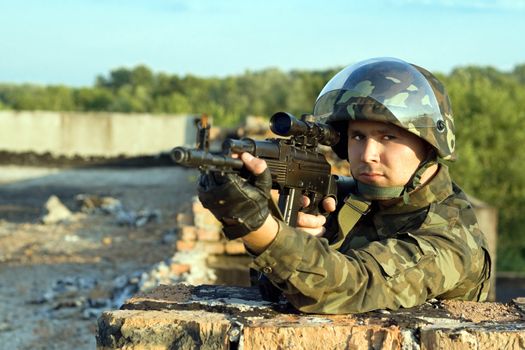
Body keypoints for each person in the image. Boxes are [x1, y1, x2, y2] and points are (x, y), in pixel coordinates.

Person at [197, 57, 492, 314]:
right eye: (358, 136)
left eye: (387, 137)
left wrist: (260, 229)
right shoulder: (350, 200)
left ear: (429, 145)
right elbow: (279, 295)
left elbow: (355, 285)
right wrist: (284, 229)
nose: (367, 155)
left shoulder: (451, 239)